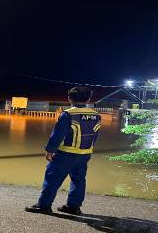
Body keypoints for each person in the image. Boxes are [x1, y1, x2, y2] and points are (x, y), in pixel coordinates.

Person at [25, 86, 102, 215]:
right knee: (78, 180)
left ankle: (43, 206)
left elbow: (58, 134)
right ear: (88, 99)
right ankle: (73, 207)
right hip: (84, 154)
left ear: (69, 98)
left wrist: (50, 150)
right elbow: (95, 135)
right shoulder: (96, 115)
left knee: (52, 179)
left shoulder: (68, 114)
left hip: (66, 154)